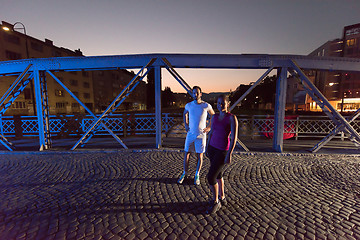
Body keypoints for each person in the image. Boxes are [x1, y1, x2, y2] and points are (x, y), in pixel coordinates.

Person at [205, 94, 238, 214]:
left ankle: (215, 202)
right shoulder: (214, 117)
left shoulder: (232, 118)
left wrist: (230, 153)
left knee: (211, 177)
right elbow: (211, 132)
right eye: (218, 103)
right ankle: (222, 197)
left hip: (223, 150)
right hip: (212, 148)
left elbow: (234, 137)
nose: (220, 105)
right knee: (218, 174)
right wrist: (207, 147)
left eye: (223, 103)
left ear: (228, 104)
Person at [178, 86, 215, 185]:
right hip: (190, 134)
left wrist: (209, 127)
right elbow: (184, 113)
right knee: (187, 154)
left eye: (197, 93)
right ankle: (185, 173)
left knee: (200, 155)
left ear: (201, 94)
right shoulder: (188, 105)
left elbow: (213, 115)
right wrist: (186, 124)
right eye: (194, 93)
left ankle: (197, 175)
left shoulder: (206, 105)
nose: (195, 95)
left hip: (201, 134)